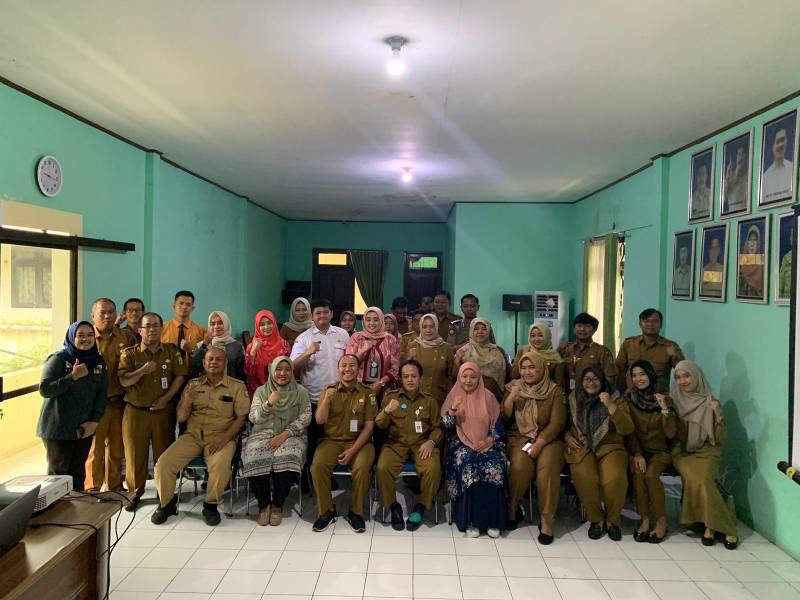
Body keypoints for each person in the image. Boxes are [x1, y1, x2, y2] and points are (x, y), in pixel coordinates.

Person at [151, 346, 249, 526]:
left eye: (218, 359)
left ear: (225, 363)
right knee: (163, 464)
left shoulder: (236, 386)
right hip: (193, 436)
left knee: (220, 466)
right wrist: (187, 401)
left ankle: (210, 505)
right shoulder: (193, 385)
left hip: (221, 436)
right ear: (204, 363)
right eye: (210, 359)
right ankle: (166, 504)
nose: (214, 362)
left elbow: (241, 418)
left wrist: (225, 439)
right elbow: (181, 418)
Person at [119, 312, 186, 511]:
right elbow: (124, 381)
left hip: (163, 411)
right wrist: (141, 371)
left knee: (164, 453)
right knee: (134, 455)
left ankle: (163, 491)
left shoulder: (171, 351)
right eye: (147, 326)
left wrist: (166, 399)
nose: (151, 330)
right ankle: (134, 493)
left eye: (156, 325)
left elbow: (179, 377)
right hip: (135, 412)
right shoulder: (129, 354)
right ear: (140, 330)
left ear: (161, 328)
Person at [670, 360, 738, 549]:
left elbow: (720, 438)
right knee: (698, 480)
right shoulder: (674, 399)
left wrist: (718, 413)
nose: (682, 381)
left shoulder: (711, 401)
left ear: (696, 376)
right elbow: (670, 432)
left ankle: (711, 527)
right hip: (683, 451)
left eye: (686, 376)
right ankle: (723, 526)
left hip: (708, 450)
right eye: (678, 377)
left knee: (704, 480)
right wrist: (666, 411)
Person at [564, 364, 633, 541]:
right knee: (583, 476)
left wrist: (611, 406)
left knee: (615, 477)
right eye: (586, 379)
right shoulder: (573, 398)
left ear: (602, 380)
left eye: (595, 379)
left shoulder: (615, 397)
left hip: (610, 445)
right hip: (581, 445)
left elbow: (627, 428)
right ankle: (596, 519)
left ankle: (612, 520)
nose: (591, 383)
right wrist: (566, 436)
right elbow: (563, 424)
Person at [37, 321, 108, 491]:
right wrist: (72, 377)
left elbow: (101, 393)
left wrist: (95, 421)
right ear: (71, 337)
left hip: (83, 428)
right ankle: (56, 508)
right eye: (80, 335)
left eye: (90, 335)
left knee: (78, 473)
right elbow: (45, 389)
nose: (86, 339)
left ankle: (76, 506)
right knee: (59, 475)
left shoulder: (98, 361)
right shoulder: (58, 360)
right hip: (58, 428)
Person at [503, 352, 565, 543]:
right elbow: (503, 418)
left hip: (548, 439)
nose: (527, 372)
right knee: (520, 466)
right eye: (523, 368)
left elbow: (557, 423)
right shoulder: (513, 387)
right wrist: (510, 400)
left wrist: (540, 442)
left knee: (547, 469)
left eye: (532, 367)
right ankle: (512, 508)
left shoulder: (554, 390)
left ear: (542, 369)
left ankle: (546, 520)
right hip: (521, 437)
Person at [310, 354, 377, 533]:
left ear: (358, 369)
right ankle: (326, 511)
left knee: (362, 467)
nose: (348, 369)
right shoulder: (329, 390)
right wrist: (326, 400)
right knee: (317, 466)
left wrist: (353, 451)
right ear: (338, 369)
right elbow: (319, 420)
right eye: (344, 365)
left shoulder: (368, 393)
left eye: (352, 365)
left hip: (360, 442)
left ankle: (356, 512)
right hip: (331, 441)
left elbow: (369, 427)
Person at [242, 356, 311, 526]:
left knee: (288, 457)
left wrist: (285, 434)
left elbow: (306, 417)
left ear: (292, 372)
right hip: (263, 432)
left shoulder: (301, 391)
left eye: (287, 369)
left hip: (292, 434)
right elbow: (254, 418)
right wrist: (268, 404)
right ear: (272, 371)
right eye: (278, 369)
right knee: (253, 456)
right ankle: (264, 505)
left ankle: (278, 505)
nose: (283, 373)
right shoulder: (261, 391)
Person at [375, 360, 443, 531]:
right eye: (406, 376)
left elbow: (438, 427)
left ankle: (421, 506)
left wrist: (431, 441)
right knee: (382, 467)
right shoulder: (392, 397)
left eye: (414, 376)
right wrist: (387, 411)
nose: (410, 380)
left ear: (420, 378)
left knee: (433, 469)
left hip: (421, 444)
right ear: (401, 379)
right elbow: (380, 425)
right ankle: (393, 506)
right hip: (395, 443)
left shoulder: (429, 400)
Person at [441, 362, 507, 538]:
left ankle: (493, 521)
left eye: (473, 377)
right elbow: (446, 427)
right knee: (469, 467)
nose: (468, 380)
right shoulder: (454, 396)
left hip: (489, 443)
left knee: (494, 468)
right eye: (464, 377)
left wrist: (489, 440)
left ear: (479, 378)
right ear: (459, 378)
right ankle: (471, 521)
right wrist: (453, 410)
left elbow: (499, 425)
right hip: (462, 444)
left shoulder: (488, 397)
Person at [84, 298, 136, 493]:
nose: (107, 316)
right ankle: (92, 489)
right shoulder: (86, 338)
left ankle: (113, 488)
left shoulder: (126, 337)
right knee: (94, 450)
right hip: (95, 405)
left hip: (119, 402)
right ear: (93, 315)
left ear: (117, 314)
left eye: (111, 312)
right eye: (102, 312)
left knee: (116, 449)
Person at [290, 298, 351, 462]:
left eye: (326, 312)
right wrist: (308, 352)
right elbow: (293, 366)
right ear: (312, 316)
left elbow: (350, 362)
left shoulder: (343, 334)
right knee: (314, 440)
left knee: (339, 437)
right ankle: (311, 473)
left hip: (341, 397)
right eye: (318, 313)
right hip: (314, 399)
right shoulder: (304, 338)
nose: (322, 315)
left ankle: (335, 470)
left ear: (331, 314)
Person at [625, 360, 676, 544]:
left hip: (660, 451)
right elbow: (629, 431)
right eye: (634, 375)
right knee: (639, 473)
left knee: (651, 475)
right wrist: (637, 453)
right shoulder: (629, 399)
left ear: (650, 375)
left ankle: (661, 521)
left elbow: (671, 433)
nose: (638, 379)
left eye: (642, 374)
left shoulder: (664, 399)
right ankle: (645, 519)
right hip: (638, 450)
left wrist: (664, 410)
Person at [615, 309, 684, 393]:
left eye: (655, 321)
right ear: (640, 324)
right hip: (632, 396)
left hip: (658, 397)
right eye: (646, 321)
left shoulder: (670, 346)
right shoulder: (629, 344)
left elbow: (683, 371)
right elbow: (619, 371)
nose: (650, 324)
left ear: (661, 324)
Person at [346, 306, 400, 397]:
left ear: (381, 321)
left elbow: (395, 368)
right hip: (358, 387)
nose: (372, 323)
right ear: (364, 321)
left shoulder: (390, 339)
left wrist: (380, 383)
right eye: (368, 320)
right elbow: (349, 363)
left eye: (376, 320)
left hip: (384, 388)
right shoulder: (356, 337)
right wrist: (362, 350)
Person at [404, 314, 454, 407]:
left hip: (439, 399)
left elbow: (451, 375)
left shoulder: (445, 348)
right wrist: (409, 358)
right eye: (425, 327)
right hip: (415, 398)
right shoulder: (413, 345)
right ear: (421, 328)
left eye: (431, 326)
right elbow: (403, 374)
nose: (428, 330)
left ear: (437, 327)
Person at [557, 313, 616, 392]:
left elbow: (610, 379)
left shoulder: (602, 351)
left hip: (591, 396)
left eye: (587, 326)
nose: (582, 329)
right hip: (567, 395)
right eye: (579, 325)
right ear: (574, 329)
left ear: (595, 330)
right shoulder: (566, 349)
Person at [454, 318, 508, 401]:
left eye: (484, 329)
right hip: (469, 398)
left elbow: (507, 375)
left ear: (489, 331)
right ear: (471, 331)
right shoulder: (463, 351)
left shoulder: (498, 351)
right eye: (476, 329)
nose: (480, 332)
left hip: (494, 396)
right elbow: (454, 377)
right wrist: (457, 360)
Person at [245, 310, 290, 397]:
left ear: (274, 323)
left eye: (269, 323)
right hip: (258, 392)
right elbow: (248, 373)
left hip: (281, 391)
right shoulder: (251, 347)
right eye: (262, 324)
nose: (266, 327)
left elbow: (289, 369)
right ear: (257, 326)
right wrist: (254, 351)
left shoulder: (284, 345)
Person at [511, 322, 567, 392]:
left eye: (540, 335)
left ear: (547, 336)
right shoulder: (523, 351)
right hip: (523, 393)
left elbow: (559, 383)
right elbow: (514, 376)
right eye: (533, 336)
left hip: (546, 395)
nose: (536, 339)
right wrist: (524, 357)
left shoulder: (554, 356)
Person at [190, 311, 245, 381]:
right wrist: (205, 344)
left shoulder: (236, 346)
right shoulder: (203, 344)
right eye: (213, 324)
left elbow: (240, 373)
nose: (216, 326)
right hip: (206, 385)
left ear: (226, 324)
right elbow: (194, 367)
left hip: (230, 386)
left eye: (220, 323)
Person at [161, 290, 206, 369]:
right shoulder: (161, 329)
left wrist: (192, 350)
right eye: (181, 303)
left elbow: (205, 356)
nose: (184, 307)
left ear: (192, 308)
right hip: (166, 371)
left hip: (192, 371)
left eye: (188, 304)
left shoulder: (202, 331)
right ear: (174, 306)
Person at [762, 125, 794, 203]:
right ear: (773, 146)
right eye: (778, 141)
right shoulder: (765, 178)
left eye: (783, 140)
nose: (781, 145)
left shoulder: (793, 169)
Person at [738, 225, 764, 298]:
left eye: (755, 240)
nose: (752, 244)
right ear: (747, 242)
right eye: (750, 240)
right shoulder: (740, 264)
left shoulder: (762, 264)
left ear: (758, 243)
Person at [723, 144, 749, 214]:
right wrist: (728, 177)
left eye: (743, 155)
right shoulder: (729, 177)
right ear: (736, 157)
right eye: (739, 154)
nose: (741, 158)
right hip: (732, 212)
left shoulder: (748, 176)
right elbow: (723, 199)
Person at [779, 224, 794, 299]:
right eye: (792, 236)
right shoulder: (786, 258)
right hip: (786, 300)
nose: (793, 238)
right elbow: (781, 282)